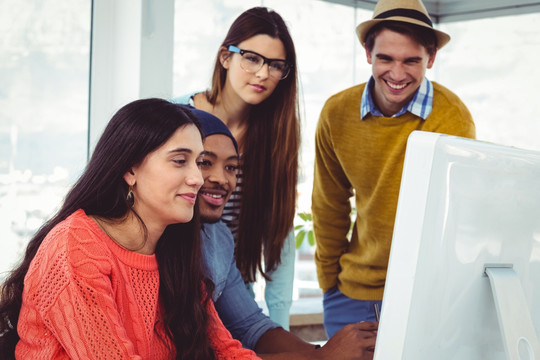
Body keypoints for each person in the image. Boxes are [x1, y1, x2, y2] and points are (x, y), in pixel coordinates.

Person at [0, 99, 258, 359]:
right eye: (180, 161)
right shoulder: (75, 246)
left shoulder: (174, 250)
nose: (198, 179)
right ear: (130, 169)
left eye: (198, 162)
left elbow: (226, 350)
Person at [312, 0, 477, 338]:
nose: (397, 74)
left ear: (431, 58)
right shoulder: (336, 113)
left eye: (411, 61)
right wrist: (330, 284)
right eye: (386, 58)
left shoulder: (452, 119)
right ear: (367, 52)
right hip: (351, 293)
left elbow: (457, 218)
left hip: (425, 294)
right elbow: (329, 206)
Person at [192, 108, 378, 360]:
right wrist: (322, 358)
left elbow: (249, 326)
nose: (222, 179)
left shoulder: (217, 237)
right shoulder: (147, 244)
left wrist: (327, 352)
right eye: (205, 162)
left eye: (231, 167)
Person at [172, 6, 299, 329]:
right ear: (225, 57)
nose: (262, 74)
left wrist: (280, 328)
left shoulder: (276, 139)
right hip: (172, 287)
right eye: (252, 58)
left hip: (231, 295)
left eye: (275, 65)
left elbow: (279, 239)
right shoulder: (177, 119)